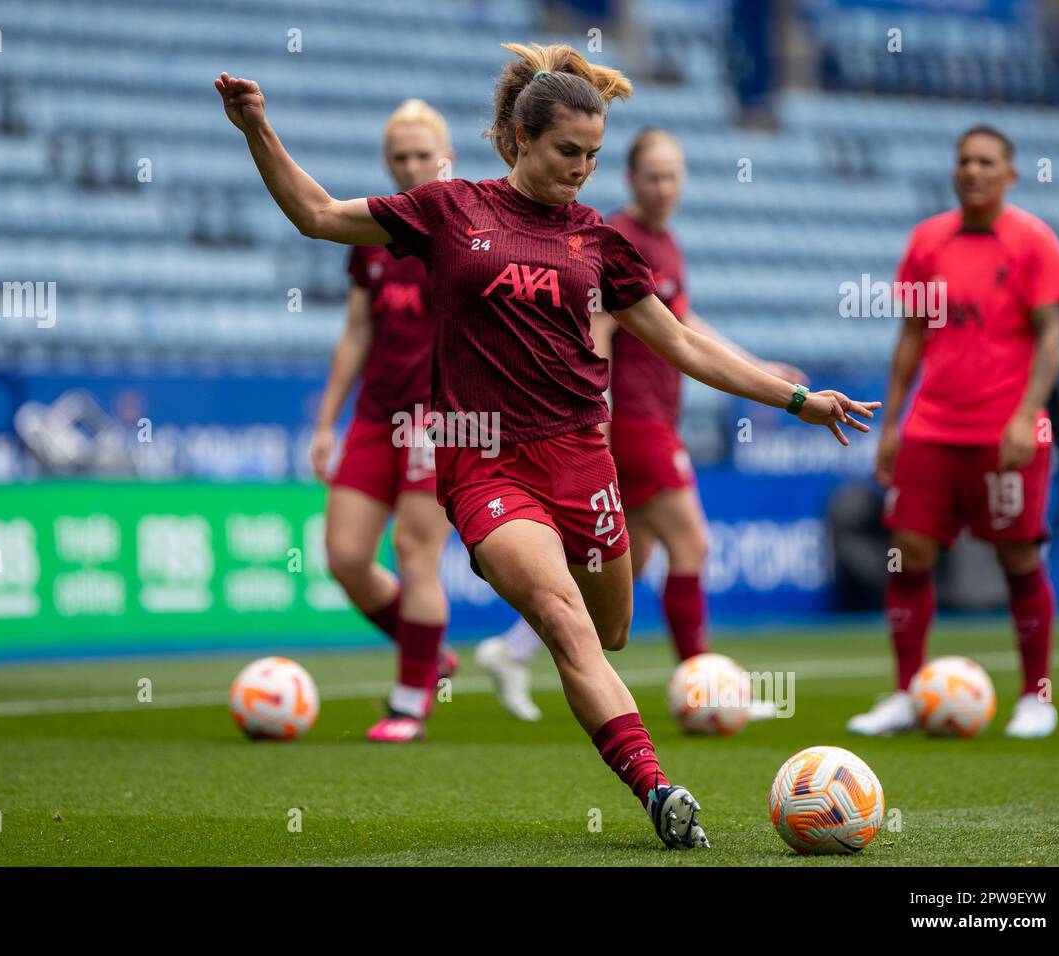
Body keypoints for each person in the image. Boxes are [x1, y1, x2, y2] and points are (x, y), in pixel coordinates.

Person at [216, 42, 877, 849]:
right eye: (569, 151)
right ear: (521, 139)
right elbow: (318, 215)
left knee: (609, 633)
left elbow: (684, 346)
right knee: (562, 619)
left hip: (581, 460)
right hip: (484, 460)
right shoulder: (449, 209)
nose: (582, 169)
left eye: (595, 155)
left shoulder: (598, 242)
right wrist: (257, 130)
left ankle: (517, 592)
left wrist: (797, 397)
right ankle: (658, 790)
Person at [477, 127, 804, 723]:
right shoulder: (617, 237)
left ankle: (512, 650)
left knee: (639, 555)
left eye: (672, 175)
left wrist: (757, 367)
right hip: (633, 421)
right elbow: (597, 331)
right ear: (630, 179)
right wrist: (594, 418)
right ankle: (706, 689)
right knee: (692, 544)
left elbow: (679, 322)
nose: (664, 186)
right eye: (652, 175)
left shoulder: (665, 243)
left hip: (657, 416)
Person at [849, 125, 1059, 739]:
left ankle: (1037, 696)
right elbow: (912, 338)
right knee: (909, 553)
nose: (971, 170)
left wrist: (1030, 413)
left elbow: (1052, 337)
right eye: (963, 161)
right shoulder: (928, 242)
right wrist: (892, 424)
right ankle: (905, 691)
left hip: (1007, 429)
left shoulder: (1034, 242)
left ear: (1010, 173)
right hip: (932, 426)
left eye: (985, 161)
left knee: (1018, 556)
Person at [310, 99, 457, 743]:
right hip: (376, 413)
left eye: (423, 155)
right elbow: (356, 332)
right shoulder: (373, 235)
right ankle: (430, 656)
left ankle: (408, 702)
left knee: (413, 551)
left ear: (445, 158)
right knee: (343, 556)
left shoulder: (464, 230)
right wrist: (325, 423)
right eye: (400, 157)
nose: (411, 166)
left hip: (444, 417)